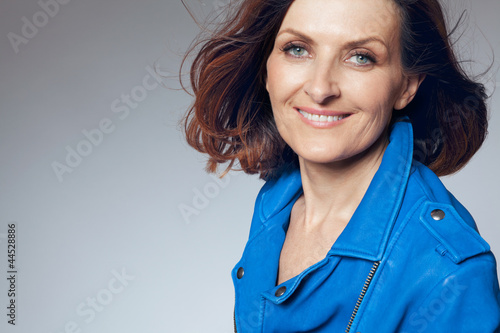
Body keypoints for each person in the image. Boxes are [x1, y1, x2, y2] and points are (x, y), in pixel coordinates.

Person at [181, 0, 500, 331]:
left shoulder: (448, 270)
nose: (320, 89)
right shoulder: (276, 202)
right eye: (297, 49)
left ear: (407, 85)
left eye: (360, 57)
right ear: (266, 67)